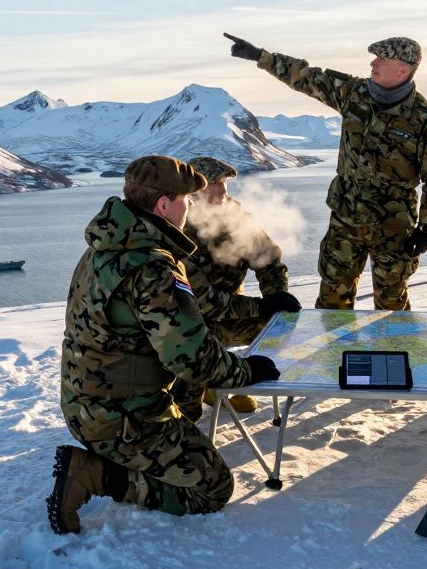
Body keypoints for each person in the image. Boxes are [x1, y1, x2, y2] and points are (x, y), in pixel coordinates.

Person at [48, 155, 281, 534]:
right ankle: (94, 474)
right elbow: (191, 358)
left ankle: (111, 459)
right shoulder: (153, 266)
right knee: (212, 488)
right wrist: (246, 371)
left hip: (85, 405)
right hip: (124, 417)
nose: (190, 206)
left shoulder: (104, 248)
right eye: (187, 200)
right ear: (163, 205)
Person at [224, 32, 427, 310]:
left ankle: (393, 352)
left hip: (393, 225)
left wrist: (426, 228)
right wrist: (261, 56)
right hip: (346, 217)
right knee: (332, 297)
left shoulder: (424, 118)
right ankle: (329, 353)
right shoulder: (353, 92)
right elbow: (307, 77)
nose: (373, 63)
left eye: (382, 58)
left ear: (403, 69)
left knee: (391, 303)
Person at [182, 155, 300, 414]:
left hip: (231, 314)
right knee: (187, 411)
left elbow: (268, 261)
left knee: (281, 330)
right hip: (187, 327)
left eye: (223, 186)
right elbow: (204, 302)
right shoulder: (176, 227)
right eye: (213, 187)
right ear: (193, 193)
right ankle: (208, 385)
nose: (222, 193)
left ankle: (220, 380)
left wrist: (276, 295)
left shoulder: (237, 219)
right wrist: (261, 306)